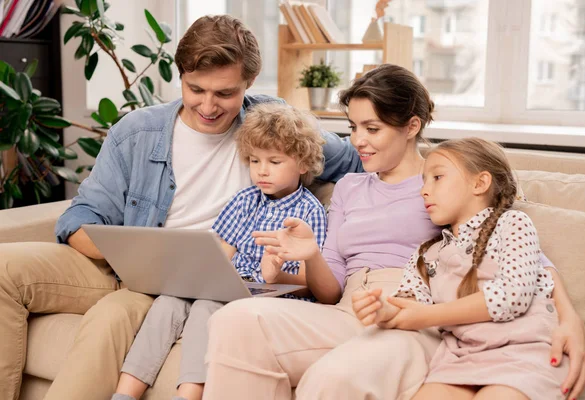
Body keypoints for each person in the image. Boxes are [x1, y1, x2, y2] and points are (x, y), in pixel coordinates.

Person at [0, 15, 360, 400]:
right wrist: (136, 261)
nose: (208, 105)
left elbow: (357, 158)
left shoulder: (271, 123)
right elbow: (81, 216)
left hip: (207, 281)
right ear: (181, 75)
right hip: (124, 266)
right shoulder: (138, 131)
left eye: (224, 93)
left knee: (114, 315)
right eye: (195, 88)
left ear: (248, 83)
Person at [202, 64, 585, 400]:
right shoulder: (350, 187)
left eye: (372, 128)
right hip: (347, 309)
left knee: (334, 377)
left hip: (414, 314)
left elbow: (516, 248)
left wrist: (570, 320)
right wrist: (310, 256)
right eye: (353, 127)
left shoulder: (442, 181)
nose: (357, 141)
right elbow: (332, 288)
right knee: (234, 320)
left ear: (411, 126)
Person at [111, 103, 327, 400]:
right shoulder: (244, 200)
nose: (262, 171)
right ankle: (124, 394)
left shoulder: (308, 211)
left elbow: (310, 281)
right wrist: (192, 275)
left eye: (274, 162)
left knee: (205, 307)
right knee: (167, 301)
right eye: (254, 161)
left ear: (302, 164)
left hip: (273, 295)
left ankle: (189, 394)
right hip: (228, 284)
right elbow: (221, 252)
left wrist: (274, 274)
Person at [353, 137, 569, 399]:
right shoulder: (427, 253)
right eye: (424, 181)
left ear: (480, 183)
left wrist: (427, 316)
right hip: (460, 358)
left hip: (524, 353)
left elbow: (514, 295)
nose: (423, 190)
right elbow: (409, 303)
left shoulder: (513, 223)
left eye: (437, 177)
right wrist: (383, 309)